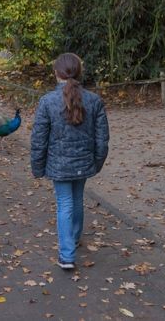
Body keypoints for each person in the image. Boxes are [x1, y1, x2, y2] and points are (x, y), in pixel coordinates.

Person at [30, 53, 109, 271]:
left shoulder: (47, 101)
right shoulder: (93, 100)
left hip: (58, 165)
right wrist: (97, 162)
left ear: (56, 73)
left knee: (65, 203)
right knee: (76, 200)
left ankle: (67, 256)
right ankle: (73, 239)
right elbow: (102, 139)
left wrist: (37, 167)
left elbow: (38, 139)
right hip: (83, 163)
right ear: (80, 72)